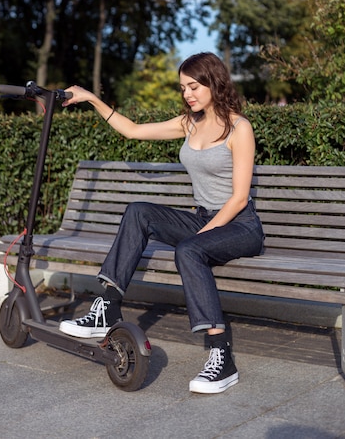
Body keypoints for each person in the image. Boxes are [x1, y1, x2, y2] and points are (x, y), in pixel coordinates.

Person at [59, 52, 264, 394]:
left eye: (194, 86)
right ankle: (107, 307)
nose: (188, 94)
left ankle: (221, 356)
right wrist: (93, 99)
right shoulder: (189, 123)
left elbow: (239, 198)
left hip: (240, 226)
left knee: (189, 250)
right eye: (183, 87)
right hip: (204, 219)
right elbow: (133, 131)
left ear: (214, 82)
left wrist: (205, 233)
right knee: (139, 210)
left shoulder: (239, 128)